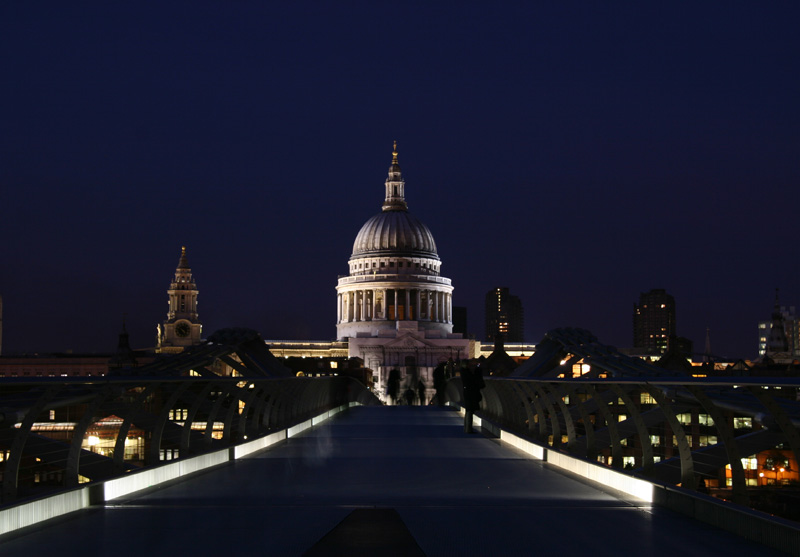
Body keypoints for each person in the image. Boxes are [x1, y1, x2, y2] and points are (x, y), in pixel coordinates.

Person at [461, 361, 485, 433]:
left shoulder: (464, 372)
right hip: (470, 394)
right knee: (470, 411)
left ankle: (467, 428)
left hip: (467, 393)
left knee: (469, 410)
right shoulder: (467, 372)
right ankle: (468, 429)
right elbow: (474, 380)